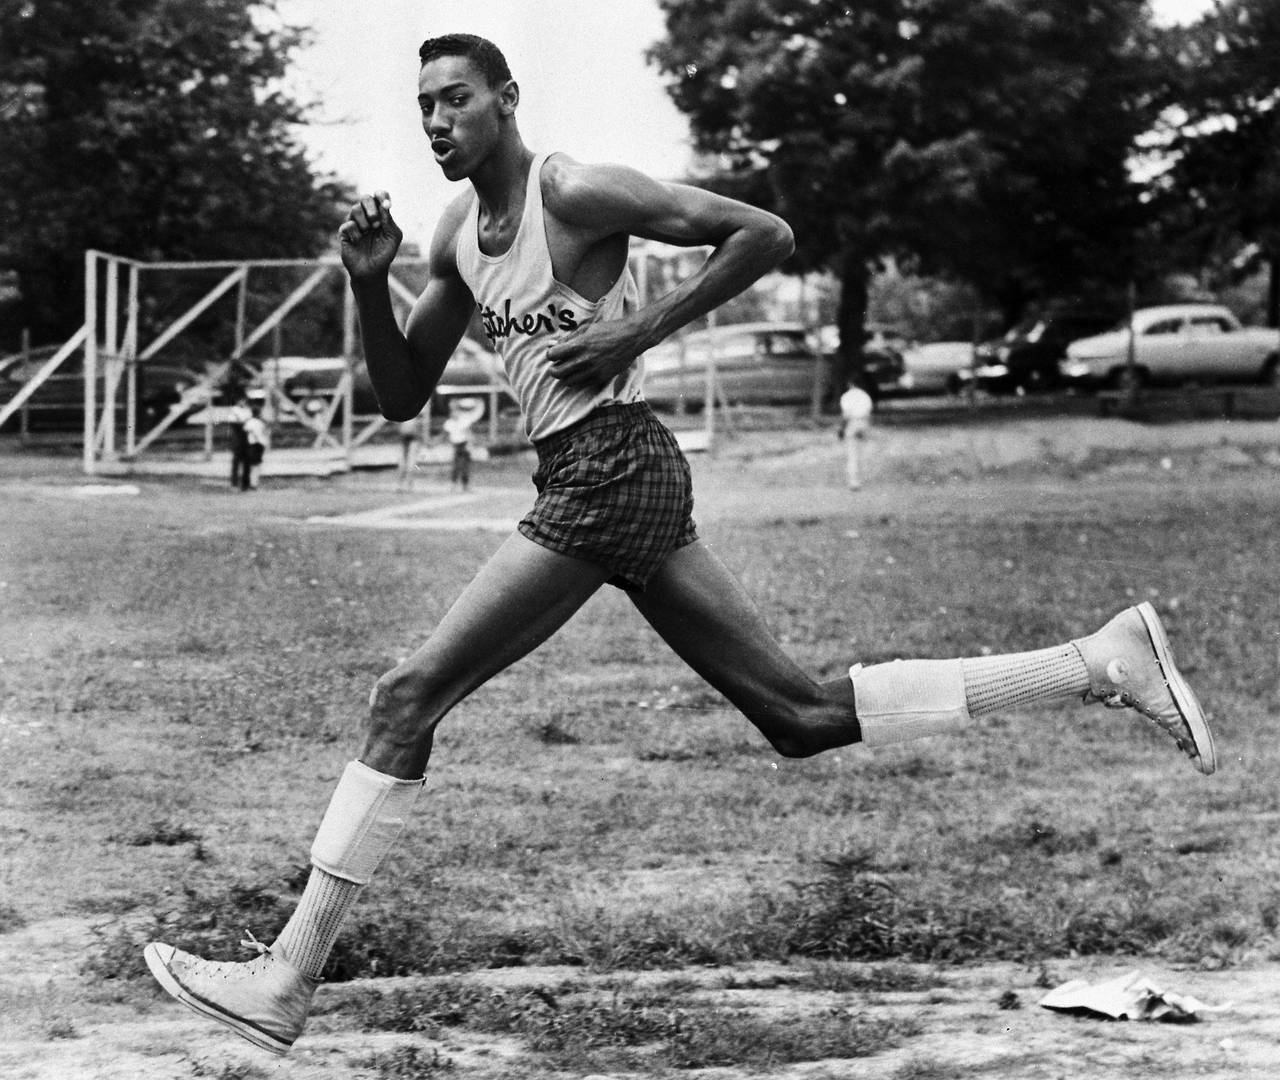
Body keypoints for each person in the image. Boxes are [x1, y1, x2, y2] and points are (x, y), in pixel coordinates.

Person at [143, 33, 1217, 1056]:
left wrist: (639, 328)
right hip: (593, 474)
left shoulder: (571, 191)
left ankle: (286, 976)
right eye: (421, 104)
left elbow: (764, 233)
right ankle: (1094, 662)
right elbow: (399, 394)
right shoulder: (448, 240)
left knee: (403, 696)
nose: (435, 120)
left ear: (505, 101)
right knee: (797, 717)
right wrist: (366, 282)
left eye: (455, 98)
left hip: (611, 468)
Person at [839, 377, 875, 490]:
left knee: (852, 454)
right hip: (863, 422)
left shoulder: (847, 396)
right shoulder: (865, 396)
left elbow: (846, 415)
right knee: (862, 452)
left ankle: (854, 482)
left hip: (852, 423)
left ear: (850, 384)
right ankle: (863, 477)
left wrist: (842, 428)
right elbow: (869, 413)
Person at [443, 396, 482, 490]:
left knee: (464, 465)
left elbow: (468, 433)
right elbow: (446, 434)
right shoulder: (450, 422)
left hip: (463, 444)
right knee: (457, 465)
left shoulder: (463, 419)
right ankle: (455, 483)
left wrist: (470, 443)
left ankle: (465, 484)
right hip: (456, 444)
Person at [227, 394, 252, 490]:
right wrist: (243, 422)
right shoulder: (234, 410)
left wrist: (244, 422)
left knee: (247, 462)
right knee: (236, 461)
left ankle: (246, 484)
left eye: (244, 400)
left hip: (247, 437)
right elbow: (234, 423)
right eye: (241, 400)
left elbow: (249, 421)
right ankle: (234, 483)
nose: (243, 402)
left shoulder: (247, 410)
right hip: (238, 437)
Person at [395, 411, 425, 491]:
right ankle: (406, 484)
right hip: (411, 435)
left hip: (407, 434)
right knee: (409, 461)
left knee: (406, 461)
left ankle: (402, 484)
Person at [243, 402, 268, 491]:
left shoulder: (249, 422)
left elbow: (246, 430)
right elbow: (261, 433)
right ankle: (254, 483)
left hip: (251, 444)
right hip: (257, 444)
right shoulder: (259, 423)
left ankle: (251, 483)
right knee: (256, 465)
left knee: (252, 465)